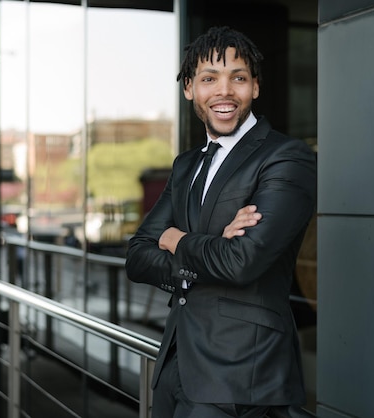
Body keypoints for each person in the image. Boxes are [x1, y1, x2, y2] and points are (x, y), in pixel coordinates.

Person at [125, 26, 317, 418]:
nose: (224, 91)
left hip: (241, 373)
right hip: (176, 363)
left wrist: (177, 238)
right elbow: (137, 257)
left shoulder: (286, 158)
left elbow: (241, 261)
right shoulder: (186, 166)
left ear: (255, 88)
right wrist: (213, 242)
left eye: (238, 78)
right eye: (209, 79)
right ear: (190, 90)